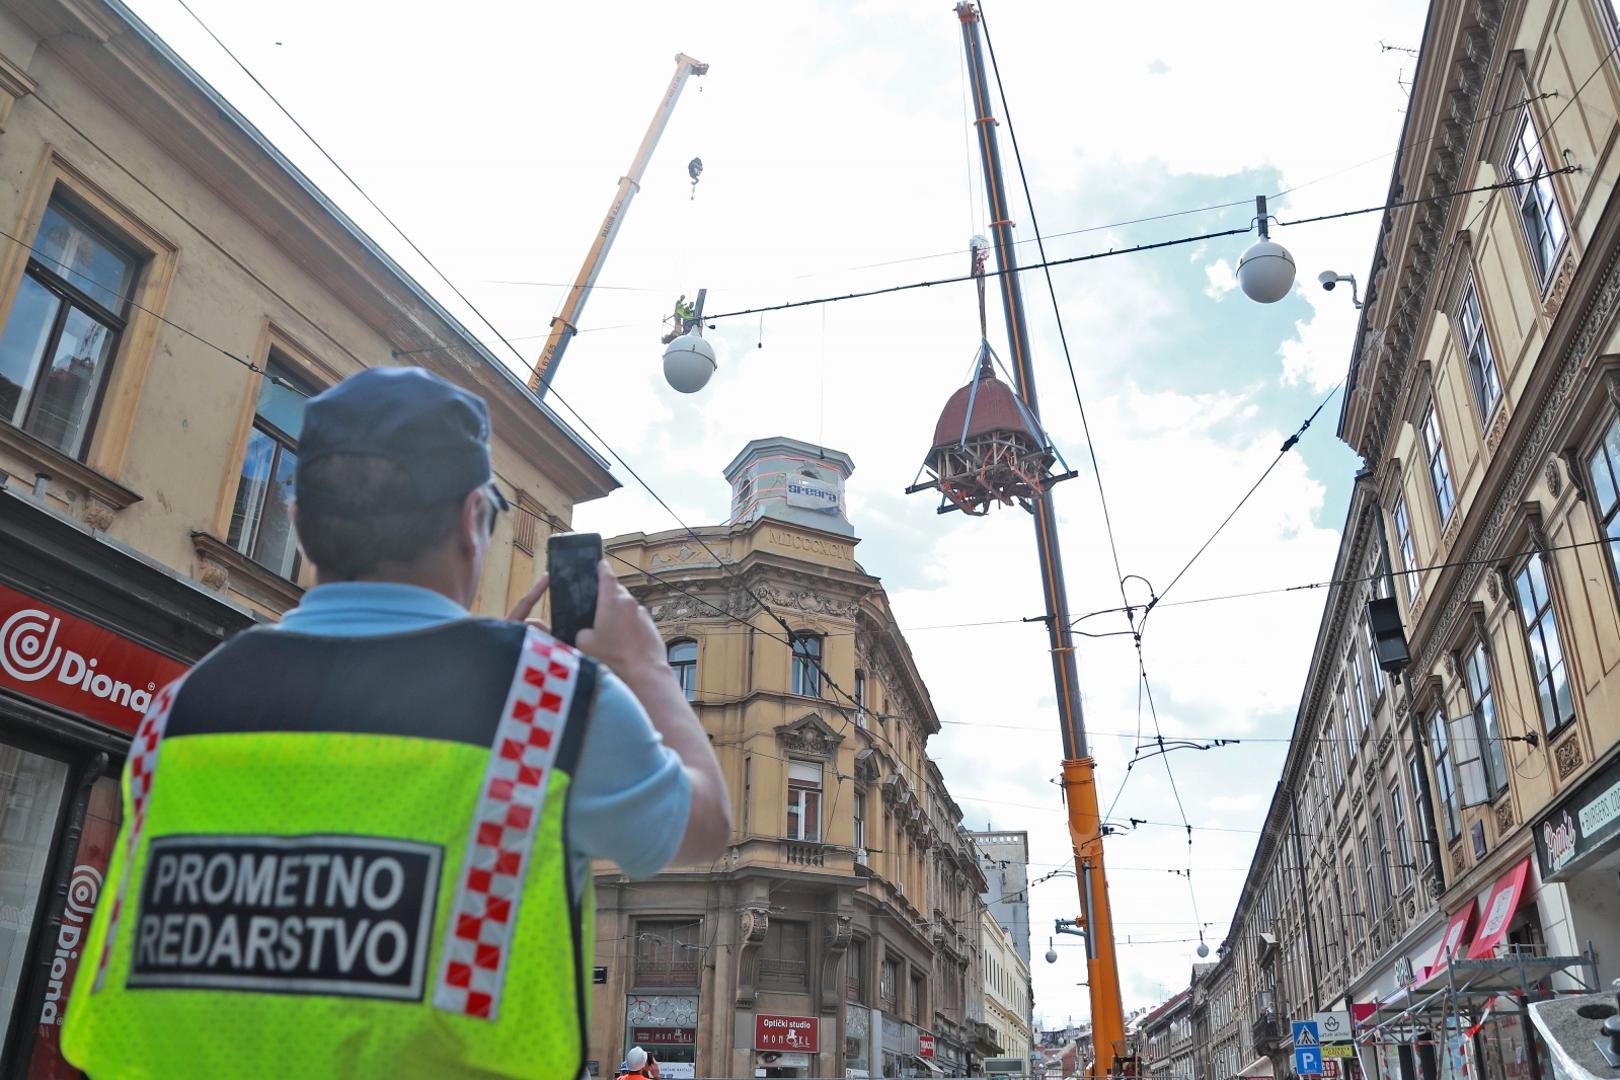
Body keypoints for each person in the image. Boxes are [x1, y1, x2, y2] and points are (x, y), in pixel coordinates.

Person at [62, 366, 730, 1078]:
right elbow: (706, 825)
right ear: (474, 519)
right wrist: (645, 662)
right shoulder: (548, 702)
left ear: (298, 522)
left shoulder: (181, 707)